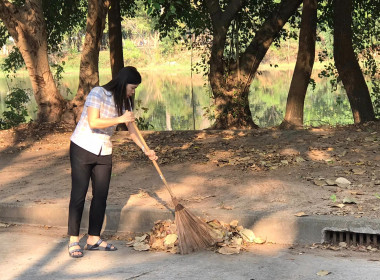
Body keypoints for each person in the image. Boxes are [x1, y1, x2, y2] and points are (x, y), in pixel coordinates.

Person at [67, 66, 157, 258]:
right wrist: (120, 118)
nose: (133, 92)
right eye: (132, 88)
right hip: (82, 147)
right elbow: (94, 122)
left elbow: (132, 131)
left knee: (101, 196)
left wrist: (146, 150)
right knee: (79, 195)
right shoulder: (98, 92)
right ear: (123, 83)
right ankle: (74, 240)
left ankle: (93, 238)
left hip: (104, 150)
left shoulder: (125, 103)